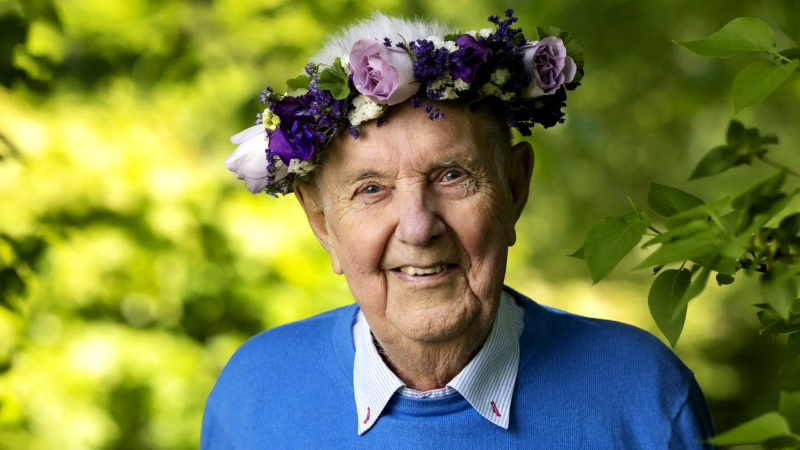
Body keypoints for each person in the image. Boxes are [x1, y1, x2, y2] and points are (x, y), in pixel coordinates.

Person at [201, 9, 716, 449]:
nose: (419, 227)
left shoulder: (643, 394)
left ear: (514, 189)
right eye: (372, 189)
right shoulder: (251, 395)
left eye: (451, 176)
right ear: (321, 221)